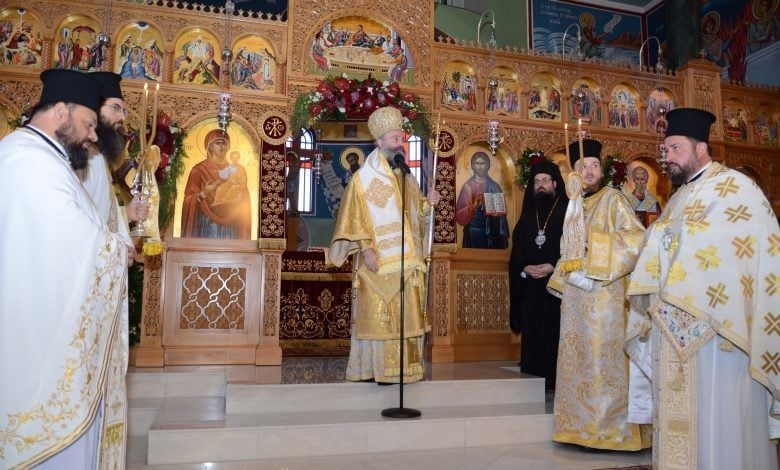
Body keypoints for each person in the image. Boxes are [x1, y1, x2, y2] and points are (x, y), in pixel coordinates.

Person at [625, 108, 779, 469]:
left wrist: (666, 238)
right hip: (672, 330)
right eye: (666, 151)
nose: (668, 160)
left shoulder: (735, 187)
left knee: (718, 418)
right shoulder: (677, 198)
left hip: (720, 333)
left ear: (700, 149)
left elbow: (749, 245)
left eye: (675, 149)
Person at [0, 69, 129, 468]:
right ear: (60, 112)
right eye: (89, 124)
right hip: (38, 348)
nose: (93, 135)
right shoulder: (28, 160)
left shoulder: (46, 159)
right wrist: (116, 250)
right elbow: (73, 242)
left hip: (46, 329)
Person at [546, 138, 650, 451]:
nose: (589, 172)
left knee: (604, 364)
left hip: (606, 298)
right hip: (578, 300)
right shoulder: (574, 205)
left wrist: (595, 249)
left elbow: (636, 239)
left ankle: (611, 431)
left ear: (600, 170)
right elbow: (569, 250)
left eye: (593, 166)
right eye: (582, 167)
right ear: (573, 174)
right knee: (578, 364)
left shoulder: (614, 199)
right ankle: (578, 427)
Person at [328, 106, 440, 384]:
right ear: (380, 142)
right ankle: (373, 370)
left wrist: (429, 205)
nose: (400, 144)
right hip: (376, 261)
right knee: (380, 317)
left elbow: (416, 213)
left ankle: (404, 370)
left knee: (404, 316)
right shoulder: (362, 179)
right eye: (394, 139)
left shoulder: (406, 176)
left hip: (406, 262)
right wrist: (365, 248)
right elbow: (354, 218)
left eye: (401, 139)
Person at [508, 159, 568, 391]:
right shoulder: (527, 216)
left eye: (545, 180)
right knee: (533, 332)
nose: (541, 185)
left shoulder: (566, 211)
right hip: (532, 287)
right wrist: (524, 268)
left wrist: (554, 266)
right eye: (537, 181)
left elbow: (575, 248)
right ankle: (531, 380)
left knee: (553, 333)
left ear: (555, 184)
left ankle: (554, 381)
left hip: (557, 286)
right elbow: (518, 250)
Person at [82, 72, 150, 249]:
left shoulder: (98, 156)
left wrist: (127, 213)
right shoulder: (83, 156)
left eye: (123, 110)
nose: (123, 117)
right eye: (116, 108)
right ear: (93, 109)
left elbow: (96, 210)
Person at [181, 129, 251, 239]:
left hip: (231, 223)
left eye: (224, 143)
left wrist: (238, 194)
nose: (221, 147)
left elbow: (244, 195)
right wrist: (203, 194)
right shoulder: (199, 170)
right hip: (207, 223)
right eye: (217, 143)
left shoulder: (237, 170)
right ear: (209, 146)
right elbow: (189, 199)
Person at [455, 151, 509, 249]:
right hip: (472, 232)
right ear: (472, 166)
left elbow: (501, 214)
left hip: (490, 232)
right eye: (477, 163)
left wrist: (497, 214)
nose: (480, 167)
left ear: (488, 166)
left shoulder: (494, 186)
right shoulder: (467, 186)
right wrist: (473, 207)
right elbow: (459, 213)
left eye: (482, 164)